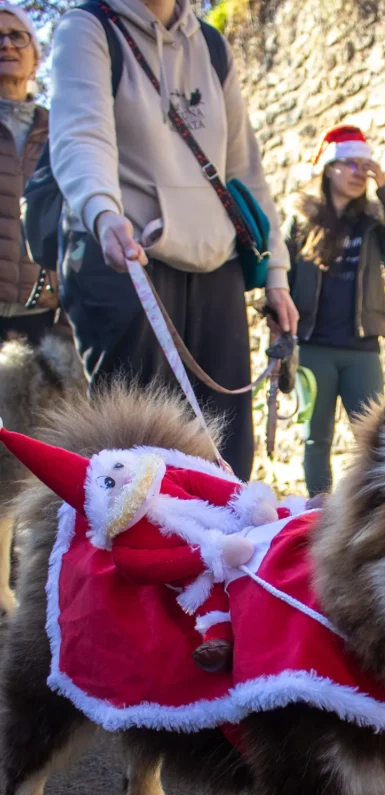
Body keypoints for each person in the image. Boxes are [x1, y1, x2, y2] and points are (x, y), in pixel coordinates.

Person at [49, 0, 297, 481]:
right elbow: (82, 135)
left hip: (214, 263)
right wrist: (103, 212)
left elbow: (245, 169)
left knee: (225, 455)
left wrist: (278, 277)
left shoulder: (210, 45)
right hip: (128, 257)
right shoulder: (88, 28)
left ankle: (219, 557)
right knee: (135, 461)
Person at [284, 124, 385, 496]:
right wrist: (282, 338)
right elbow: (279, 279)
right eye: (351, 165)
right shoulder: (301, 221)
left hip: (362, 348)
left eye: (367, 166)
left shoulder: (374, 221)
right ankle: (319, 511)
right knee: (317, 438)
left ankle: (375, 512)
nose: (361, 174)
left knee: (378, 438)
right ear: (330, 168)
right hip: (314, 346)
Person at [0, 4, 59, 345]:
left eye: (18, 36)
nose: (7, 44)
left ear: (36, 59)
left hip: (46, 317)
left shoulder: (62, 130)